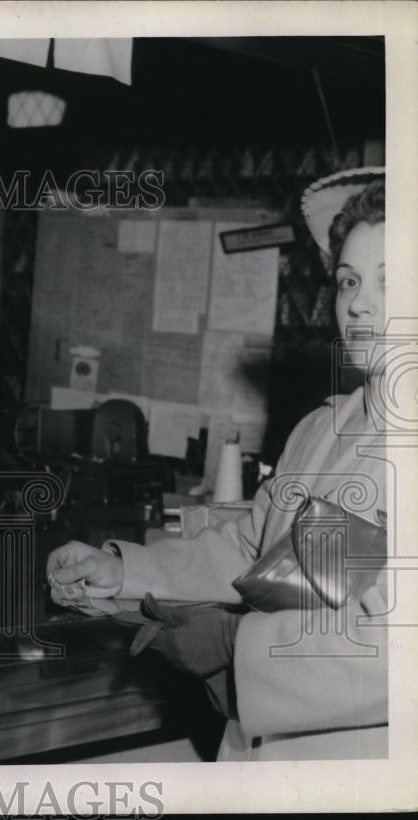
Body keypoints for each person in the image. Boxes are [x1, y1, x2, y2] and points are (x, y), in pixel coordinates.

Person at [47, 167, 389, 761]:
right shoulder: (324, 428)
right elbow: (251, 554)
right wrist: (126, 570)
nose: (359, 304)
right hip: (256, 757)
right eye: (349, 280)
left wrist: (237, 642)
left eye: (391, 280)